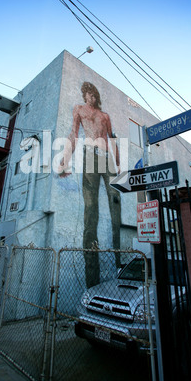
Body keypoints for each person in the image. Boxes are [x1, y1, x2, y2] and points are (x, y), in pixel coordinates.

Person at [58, 82, 122, 288]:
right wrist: (64, 161)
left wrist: (119, 164)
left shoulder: (105, 116)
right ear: (84, 95)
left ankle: (120, 261)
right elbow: (73, 135)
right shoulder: (79, 109)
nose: (91, 97)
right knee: (91, 209)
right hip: (90, 156)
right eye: (88, 94)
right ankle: (92, 280)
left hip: (107, 158)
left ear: (96, 97)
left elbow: (112, 139)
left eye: (93, 94)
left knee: (116, 203)